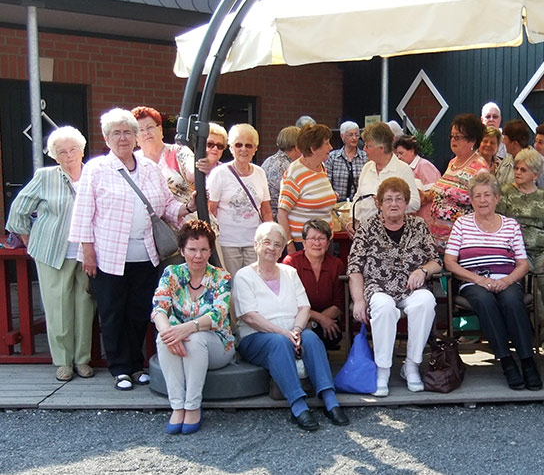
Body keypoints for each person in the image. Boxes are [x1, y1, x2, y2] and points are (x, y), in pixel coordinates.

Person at [69, 108, 194, 391]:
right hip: (108, 256)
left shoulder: (149, 168)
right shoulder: (96, 169)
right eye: (117, 133)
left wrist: (188, 207)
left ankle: (136, 365)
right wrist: (87, 253)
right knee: (113, 312)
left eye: (128, 132)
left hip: (146, 254)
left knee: (139, 310)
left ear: (136, 136)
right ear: (106, 138)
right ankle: (120, 368)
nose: (123, 138)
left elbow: (164, 207)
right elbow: (83, 214)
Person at [233, 222, 348, 431]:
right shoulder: (244, 276)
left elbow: (304, 306)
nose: (272, 248)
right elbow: (249, 317)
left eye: (278, 244)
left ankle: (330, 399)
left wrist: (296, 330)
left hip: (291, 330)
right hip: (256, 336)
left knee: (312, 338)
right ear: (256, 245)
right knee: (279, 343)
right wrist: (284, 333)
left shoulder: (288, 272)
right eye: (266, 242)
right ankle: (298, 405)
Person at [7, 126, 94, 382]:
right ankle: (63, 362)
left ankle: (82, 360)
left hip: (86, 253)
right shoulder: (45, 176)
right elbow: (18, 211)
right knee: (58, 308)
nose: (69, 155)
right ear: (55, 156)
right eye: (62, 151)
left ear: (82, 149)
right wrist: (29, 240)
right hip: (53, 252)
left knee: (85, 305)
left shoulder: (93, 174)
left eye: (73, 149)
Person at [444, 172, 542, 391]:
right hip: (474, 282)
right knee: (485, 301)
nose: (482, 200)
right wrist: (477, 279)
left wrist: (507, 281)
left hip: (506, 280)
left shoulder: (510, 225)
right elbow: (450, 262)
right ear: (471, 200)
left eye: (487, 195)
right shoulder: (462, 224)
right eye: (477, 196)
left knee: (512, 302)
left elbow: (523, 264)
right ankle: (507, 362)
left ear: (497, 198)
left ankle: (527, 362)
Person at [348, 178, 441, 397]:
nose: (394, 204)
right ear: (379, 203)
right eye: (388, 199)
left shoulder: (418, 225)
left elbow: (436, 260)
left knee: (426, 301)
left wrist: (423, 271)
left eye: (399, 199)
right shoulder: (368, 228)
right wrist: (359, 300)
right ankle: (383, 369)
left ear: (406, 203)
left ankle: (411, 365)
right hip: (378, 288)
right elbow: (354, 267)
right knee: (383, 306)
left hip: (411, 288)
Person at [151, 221, 234, 435]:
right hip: (180, 340)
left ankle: (193, 406)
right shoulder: (172, 273)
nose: (198, 255)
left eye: (204, 249)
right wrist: (169, 332)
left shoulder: (221, 277)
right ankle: (177, 406)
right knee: (163, 338)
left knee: (195, 339)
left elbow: (218, 314)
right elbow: (159, 308)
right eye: (192, 249)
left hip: (217, 344)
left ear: (211, 251)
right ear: (182, 250)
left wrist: (187, 329)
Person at [497, 148, 544, 334]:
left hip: (540, 249)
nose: (517, 172)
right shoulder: (506, 192)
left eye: (523, 170)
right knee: (527, 280)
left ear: (536, 174)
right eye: (516, 168)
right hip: (514, 250)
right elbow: (498, 222)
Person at [207, 124, 273, 275]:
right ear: (231, 148)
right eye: (238, 145)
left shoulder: (260, 173)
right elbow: (211, 210)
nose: (243, 149)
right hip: (227, 243)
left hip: (255, 242)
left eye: (248, 145)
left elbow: (266, 210)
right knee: (232, 286)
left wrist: (269, 236)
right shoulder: (219, 174)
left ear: (255, 148)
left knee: (254, 285)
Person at [427, 113, 489, 249]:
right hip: (438, 238)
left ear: (472, 141)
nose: (453, 140)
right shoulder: (452, 163)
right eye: (452, 136)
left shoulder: (480, 169)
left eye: (458, 137)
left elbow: (484, 207)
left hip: (461, 241)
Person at [282, 219, 345, 350]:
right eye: (312, 239)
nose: (317, 243)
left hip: (326, 321)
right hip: (296, 319)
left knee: (332, 333)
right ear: (304, 242)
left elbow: (339, 304)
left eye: (321, 239)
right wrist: (320, 319)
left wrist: (315, 322)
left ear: (328, 243)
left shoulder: (336, 264)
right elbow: (288, 302)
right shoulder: (291, 262)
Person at [349, 122, 420, 230]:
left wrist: (388, 203)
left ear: (381, 148)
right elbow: (358, 196)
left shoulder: (403, 169)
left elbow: (415, 203)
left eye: (368, 145)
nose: (364, 149)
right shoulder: (367, 168)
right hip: (364, 232)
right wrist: (352, 219)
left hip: (391, 233)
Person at [278, 123, 337, 252]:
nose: (331, 147)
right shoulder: (295, 173)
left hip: (325, 241)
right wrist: (289, 245)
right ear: (313, 148)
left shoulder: (321, 167)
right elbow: (282, 213)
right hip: (303, 245)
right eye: (326, 143)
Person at [132, 106, 195, 204]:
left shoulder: (179, 151)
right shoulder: (133, 161)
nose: (146, 133)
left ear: (160, 130)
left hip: (188, 215)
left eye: (150, 127)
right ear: (135, 136)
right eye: (140, 130)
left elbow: (193, 174)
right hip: (149, 218)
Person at [394, 135, 441, 220]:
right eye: (397, 155)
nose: (399, 157)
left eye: (401, 153)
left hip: (427, 218)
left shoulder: (424, 166)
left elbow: (436, 192)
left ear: (412, 151)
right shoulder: (403, 169)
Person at [495, 119, 544, 191]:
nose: (503, 142)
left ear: (515, 144)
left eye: (505, 140)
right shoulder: (506, 161)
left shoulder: (540, 162)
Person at [261, 126, 302, 221]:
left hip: (266, 218)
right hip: (281, 220)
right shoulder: (289, 167)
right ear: (297, 147)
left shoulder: (268, 161)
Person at [325, 121, 367, 203]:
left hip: (358, 204)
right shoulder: (332, 157)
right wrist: (332, 193)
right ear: (342, 136)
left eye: (357, 135)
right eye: (350, 135)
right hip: (337, 204)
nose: (354, 138)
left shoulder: (365, 157)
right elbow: (327, 180)